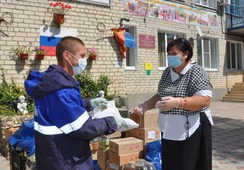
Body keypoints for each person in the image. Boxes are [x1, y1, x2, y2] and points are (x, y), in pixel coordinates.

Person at [24, 36, 120, 170]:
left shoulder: (53, 82)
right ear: (67, 56)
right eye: (82, 55)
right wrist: (112, 122)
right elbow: (82, 128)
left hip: (54, 156)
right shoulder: (60, 89)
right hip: (66, 161)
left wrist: (89, 103)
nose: (84, 60)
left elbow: (63, 109)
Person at [134, 38, 213, 170]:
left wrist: (178, 102)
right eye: (168, 53)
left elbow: (205, 100)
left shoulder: (196, 71)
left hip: (193, 127)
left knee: (188, 163)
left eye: (174, 53)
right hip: (170, 128)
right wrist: (146, 105)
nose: (170, 57)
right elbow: (160, 95)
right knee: (171, 162)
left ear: (185, 54)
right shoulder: (167, 72)